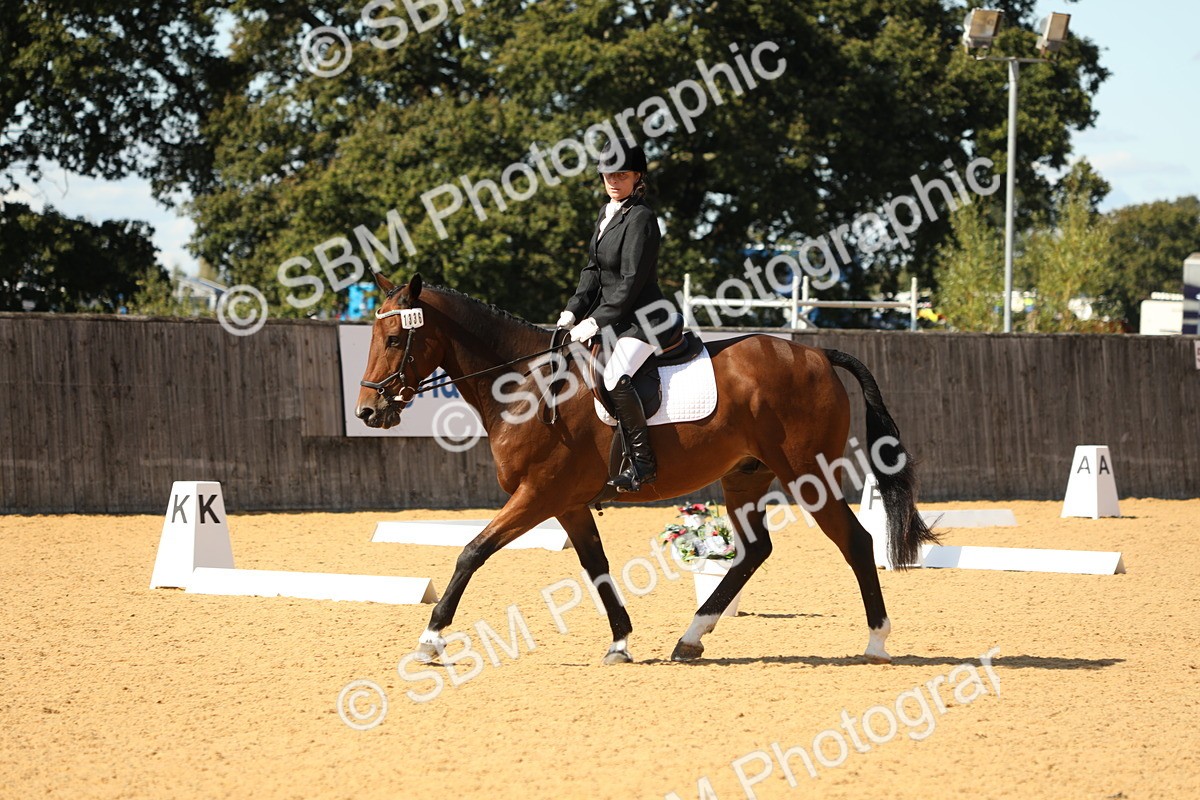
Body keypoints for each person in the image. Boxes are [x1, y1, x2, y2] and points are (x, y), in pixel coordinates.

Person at [557, 138, 668, 493]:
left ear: (637, 177)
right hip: (616, 320)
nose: (614, 181)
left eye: (622, 175)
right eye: (608, 175)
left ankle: (642, 464)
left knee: (616, 375)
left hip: (646, 318)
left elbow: (631, 280)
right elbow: (593, 271)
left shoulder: (642, 218)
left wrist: (595, 320)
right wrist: (572, 312)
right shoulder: (607, 213)